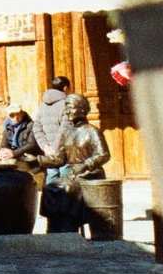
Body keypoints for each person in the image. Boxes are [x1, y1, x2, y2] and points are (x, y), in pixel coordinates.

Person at [36, 93, 111, 233]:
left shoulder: (92, 131)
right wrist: (39, 161)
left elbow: (104, 155)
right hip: (73, 174)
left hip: (90, 174)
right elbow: (60, 158)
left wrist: (86, 164)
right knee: (49, 188)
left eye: (71, 107)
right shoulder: (67, 132)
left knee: (68, 189)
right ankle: (54, 226)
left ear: (82, 109)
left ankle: (69, 225)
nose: (67, 111)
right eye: (66, 108)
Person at [31, 76, 72, 162]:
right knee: (66, 174)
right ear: (65, 88)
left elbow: (36, 128)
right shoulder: (66, 104)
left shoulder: (42, 105)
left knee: (51, 174)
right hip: (63, 152)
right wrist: (55, 148)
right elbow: (65, 129)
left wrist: (45, 147)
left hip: (48, 153)